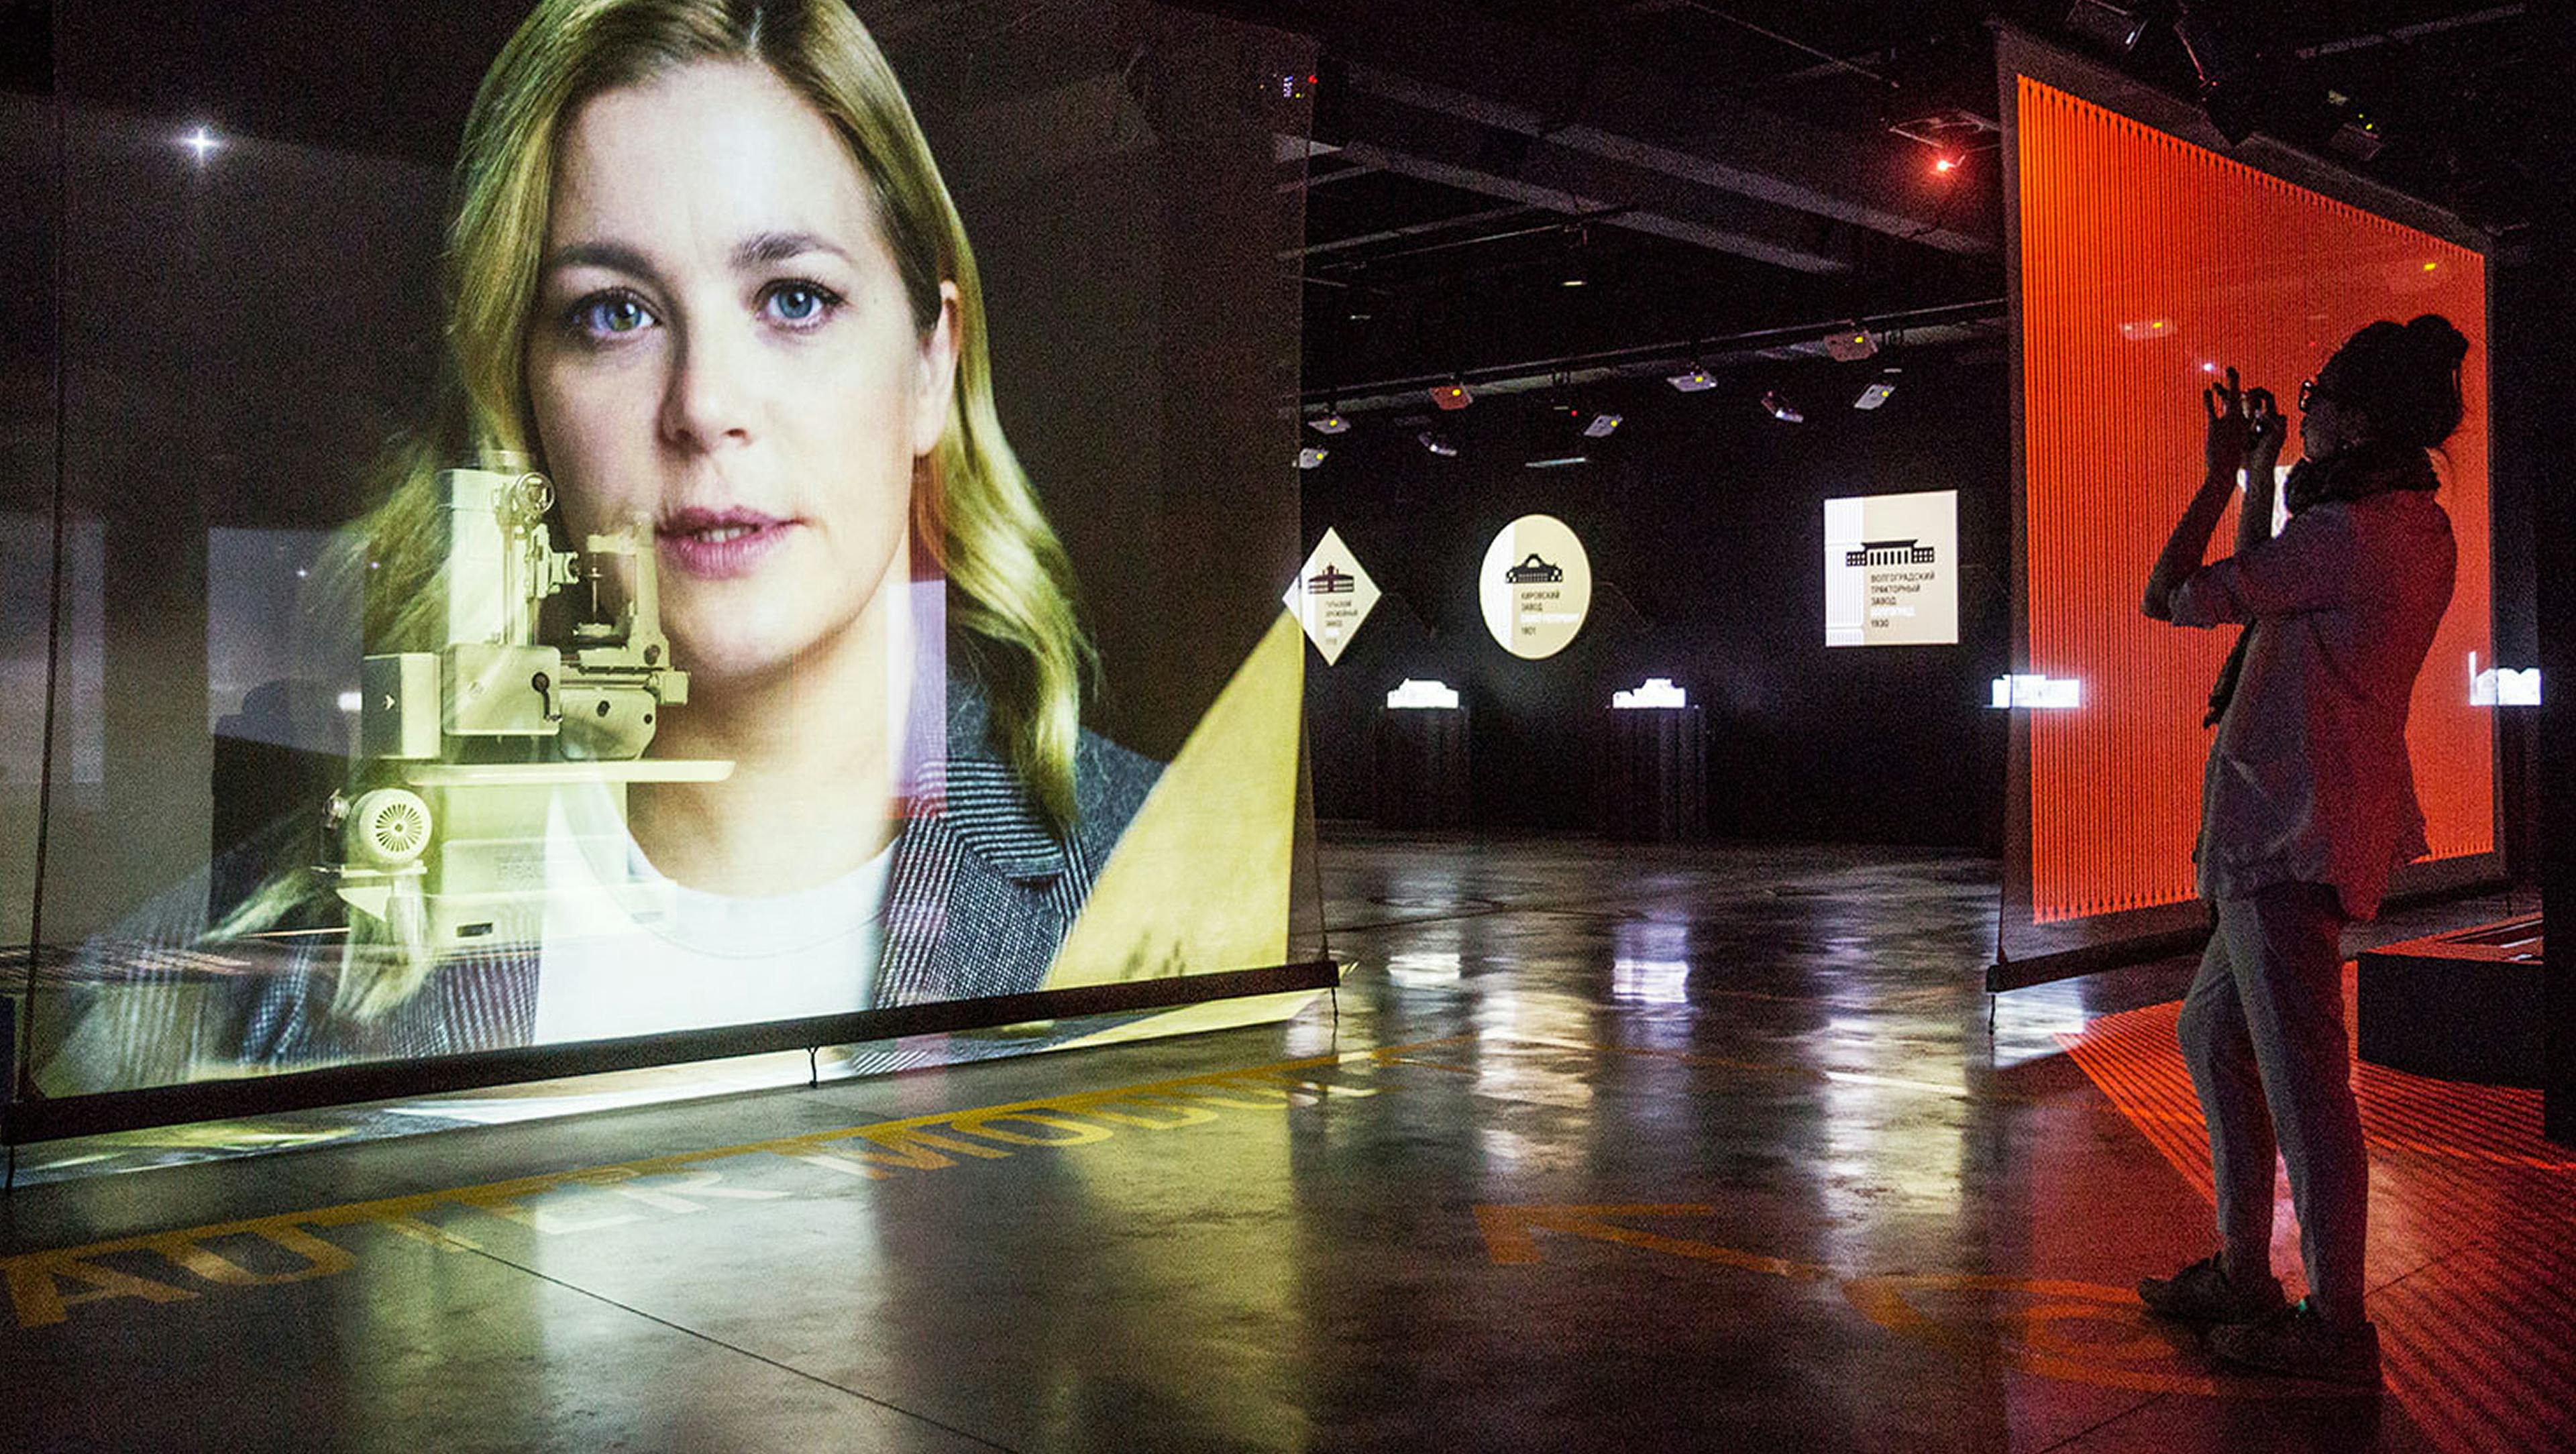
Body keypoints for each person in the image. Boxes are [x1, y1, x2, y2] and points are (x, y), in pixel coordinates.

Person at [39, 0, 1157, 1091]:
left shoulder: (1166, 879)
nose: (705, 404)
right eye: (615, 313)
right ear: (524, 397)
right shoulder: (193, 994)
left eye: (795, 299)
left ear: (929, 367)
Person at [2135, 315, 2469, 1386]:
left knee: (2308, 1087)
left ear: (2357, 419)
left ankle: (2334, 1320)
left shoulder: (2348, 536)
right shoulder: (2410, 526)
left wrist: (2218, 476)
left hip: (2286, 828)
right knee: (2212, 1032)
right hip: (2310, 825)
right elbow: (2264, 583)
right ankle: (2245, 1272)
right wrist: (2263, 475)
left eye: (2317, 396)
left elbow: (2176, 596)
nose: (2306, 409)